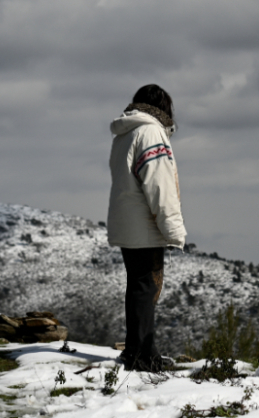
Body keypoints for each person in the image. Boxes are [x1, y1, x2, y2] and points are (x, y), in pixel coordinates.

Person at [107, 84, 186, 371]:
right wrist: (174, 230)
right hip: (145, 223)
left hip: (127, 221)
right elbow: (160, 187)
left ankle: (139, 350)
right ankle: (142, 357)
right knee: (147, 286)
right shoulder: (151, 132)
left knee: (137, 286)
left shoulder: (125, 132)